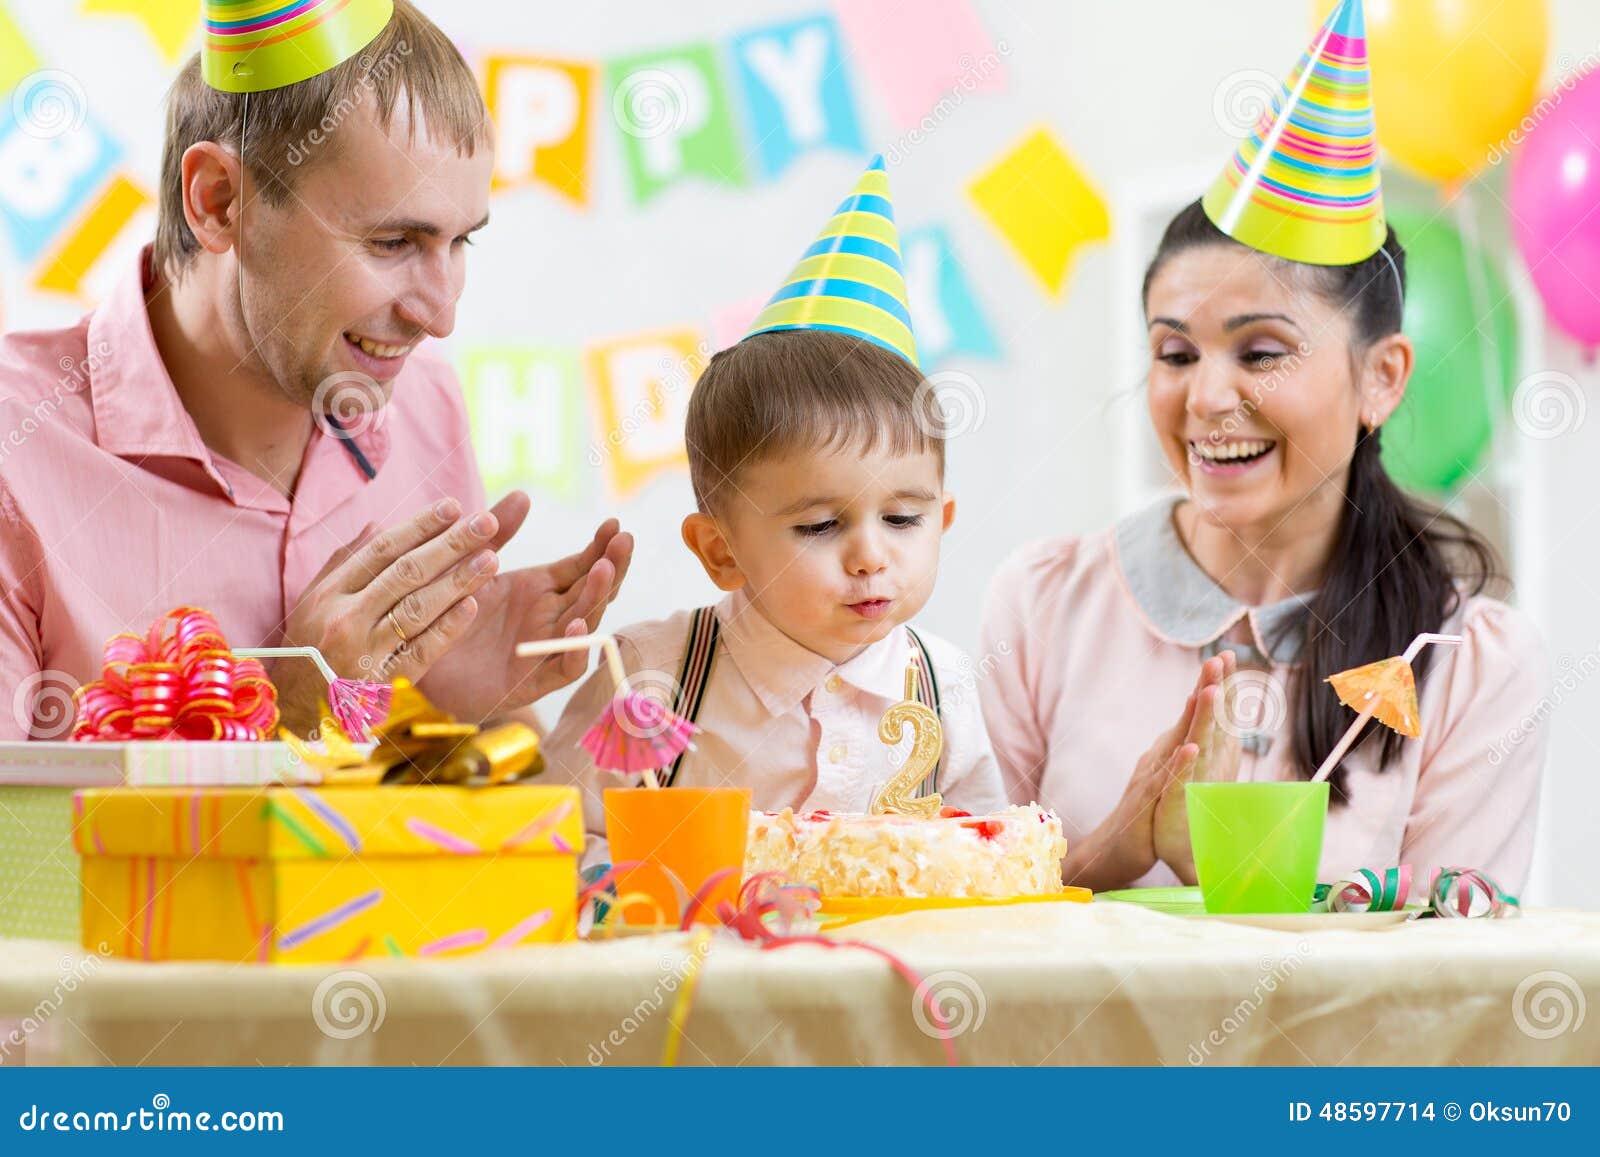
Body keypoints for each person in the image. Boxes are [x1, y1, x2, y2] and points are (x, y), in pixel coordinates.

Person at [978, 0, 1547, 894]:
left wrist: (1245, 894)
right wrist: (1106, 856)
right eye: (1175, 353)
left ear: (1382, 379)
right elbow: (961, 945)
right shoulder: (1044, 608)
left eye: (1261, 352)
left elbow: (1449, 997)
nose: (1206, 397)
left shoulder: (1469, 664)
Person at [0, 1, 630, 739]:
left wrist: (465, 708)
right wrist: (284, 708)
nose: (440, 317)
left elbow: (466, 826)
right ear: (219, 202)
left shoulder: (422, 404)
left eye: (461, 244)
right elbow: (21, 851)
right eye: (394, 241)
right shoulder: (20, 452)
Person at [542, 160, 1009, 857]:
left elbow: (987, 853)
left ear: (941, 521)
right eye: (821, 526)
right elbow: (559, 844)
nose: (871, 556)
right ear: (721, 551)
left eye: (903, 519)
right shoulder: (652, 678)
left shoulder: (945, 684)